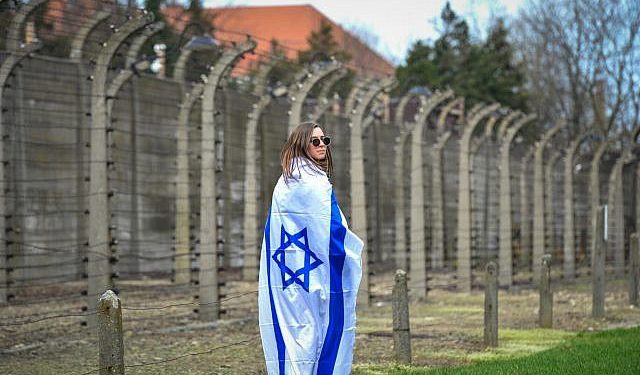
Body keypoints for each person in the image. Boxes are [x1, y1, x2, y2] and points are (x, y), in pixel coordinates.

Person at [258, 122, 363, 375]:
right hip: (307, 273)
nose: (321, 146)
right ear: (301, 144)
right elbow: (329, 228)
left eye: (324, 140)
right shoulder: (310, 184)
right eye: (314, 141)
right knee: (317, 329)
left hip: (289, 276)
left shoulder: (286, 182)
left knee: (299, 331)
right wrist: (351, 248)